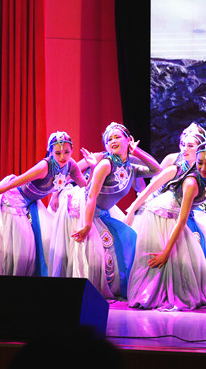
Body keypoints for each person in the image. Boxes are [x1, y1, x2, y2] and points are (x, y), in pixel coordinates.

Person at [0, 131, 90, 293]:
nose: (63, 157)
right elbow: (12, 184)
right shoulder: (44, 167)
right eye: (58, 153)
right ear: (50, 152)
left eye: (66, 152)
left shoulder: (71, 166)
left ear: (72, 151)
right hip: (13, 199)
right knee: (22, 246)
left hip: (31, 203)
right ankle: (6, 286)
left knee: (48, 239)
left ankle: (38, 283)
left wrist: (94, 166)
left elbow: (87, 187)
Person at [48, 122, 160, 301]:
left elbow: (157, 170)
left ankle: (122, 285)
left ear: (128, 140)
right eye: (109, 139)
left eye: (117, 137)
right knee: (93, 254)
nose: (113, 141)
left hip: (102, 212)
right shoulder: (105, 163)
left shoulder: (130, 167)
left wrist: (136, 151)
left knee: (129, 237)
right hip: (83, 208)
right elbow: (89, 193)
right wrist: (86, 224)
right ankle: (83, 294)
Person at [127, 140, 206, 310]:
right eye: (200, 162)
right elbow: (182, 220)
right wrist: (165, 253)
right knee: (166, 261)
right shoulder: (191, 183)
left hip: (175, 216)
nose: (203, 168)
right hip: (161, 216)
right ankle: (150, 294)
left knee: (188, 264)